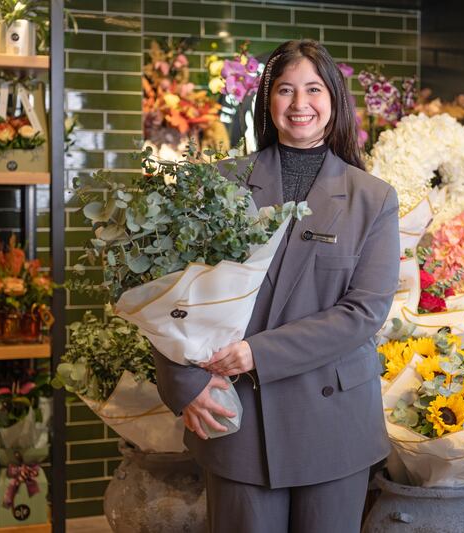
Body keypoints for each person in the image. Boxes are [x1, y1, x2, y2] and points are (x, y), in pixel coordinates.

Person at [152, 39, 400, 533]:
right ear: (267, 102)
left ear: (335, 99)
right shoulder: (219, 184)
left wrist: (256, 353)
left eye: (313, 89)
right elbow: (166, 294)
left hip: (333, 422)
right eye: (285, 90)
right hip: (240, 414)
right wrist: (185, 385)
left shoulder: (372, 198)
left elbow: (363, 313)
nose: (299, 103)